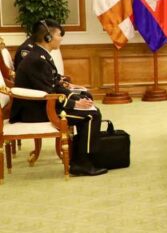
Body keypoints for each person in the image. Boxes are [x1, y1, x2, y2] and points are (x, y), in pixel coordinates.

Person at [10, 20, 105, 177]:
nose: (61, 38)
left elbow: (53, 85)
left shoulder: (41, 55)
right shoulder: (37, 60)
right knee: (91, 115)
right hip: (36, 111)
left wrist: (76, 96)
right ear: (48, 37)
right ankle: (82, 163)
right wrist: (74, 103)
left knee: (87, 103)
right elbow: (49, 92)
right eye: (59, 35)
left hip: (42, 104)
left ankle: (79, 159)